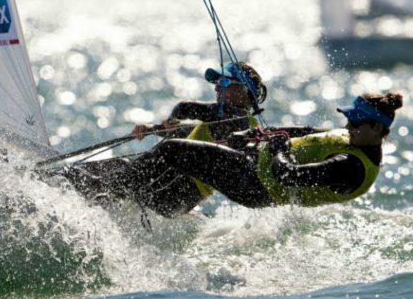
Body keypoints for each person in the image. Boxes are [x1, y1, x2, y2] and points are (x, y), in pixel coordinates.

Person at [124, 92, 403, 208]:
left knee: (173, 150)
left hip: (256, 186)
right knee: (184, 147)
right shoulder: (353, 136)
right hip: (253, 161)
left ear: (378, 129)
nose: (348, 125)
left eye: (356, 122)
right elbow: (304, 132)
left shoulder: (351, 167)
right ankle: (145, 200)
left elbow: (288, 175)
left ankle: (123, 189)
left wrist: (278, 148)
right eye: (348, 118)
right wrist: (257, 134)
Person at [63, 62, 268, 216]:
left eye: (224, 82)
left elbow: (184, 108)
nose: (216, 88)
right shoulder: (229, 123)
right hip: (179, 199)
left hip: (172, 191)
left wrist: (173, 118)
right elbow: (188, 137)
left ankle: (69, 193)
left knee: (106, 175)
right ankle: (72, 187)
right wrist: (153, 129)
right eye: (216, 82)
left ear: (243, 91)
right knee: (115, 165)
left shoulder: (235, 119)